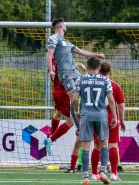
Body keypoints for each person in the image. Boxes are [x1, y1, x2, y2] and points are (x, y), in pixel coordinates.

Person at [44, 17, 104, 155]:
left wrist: (97, 55)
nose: (66, 27)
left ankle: (82, 120)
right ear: (61, 26)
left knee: (87, 90)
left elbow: (81, 51)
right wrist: (51, 70)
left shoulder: (66, 41)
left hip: (74, 72)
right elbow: (49, 56)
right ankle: (80, 125)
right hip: (66, 75)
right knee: (74, 98)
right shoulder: (54, 38)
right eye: (64, 25)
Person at [72, 57, 117, 185]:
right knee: (104, 143)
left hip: (86, 115)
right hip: (101, 115)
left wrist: (77, 111)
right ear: (99, 68)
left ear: (87, 66)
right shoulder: (105, 80)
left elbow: (74, 99)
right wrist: (114, 116)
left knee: (86, 145)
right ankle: (102, 171)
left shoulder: (80, 79)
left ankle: (86, 177)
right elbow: (111, 100)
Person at [91, 62, 125, 181]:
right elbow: (120, 105)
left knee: (97, 146)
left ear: (99, 71)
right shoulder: (115, 86)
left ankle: (94, 174)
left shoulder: (93, 85)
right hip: (111, 117)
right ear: (110, 72)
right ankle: (114, 174)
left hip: (96, 117)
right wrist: (121, 119)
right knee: (113, 145)